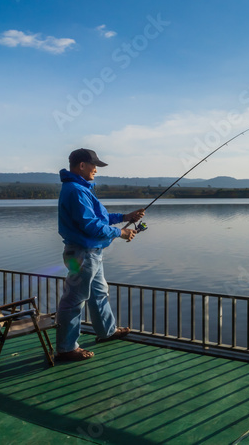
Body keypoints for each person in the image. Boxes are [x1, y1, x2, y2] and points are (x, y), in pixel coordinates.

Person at [54, 148, 145, 361]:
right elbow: (90, 225)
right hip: (82, 255)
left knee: (98, 293)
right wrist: (121, 232)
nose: (96, 169)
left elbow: (99, 217)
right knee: (74, 299)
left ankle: (107, 331)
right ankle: (66, 347)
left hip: (90, 253)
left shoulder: (80, 188)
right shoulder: (76, 190)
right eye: (94, 165)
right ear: (81, 165)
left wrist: (125, 216)